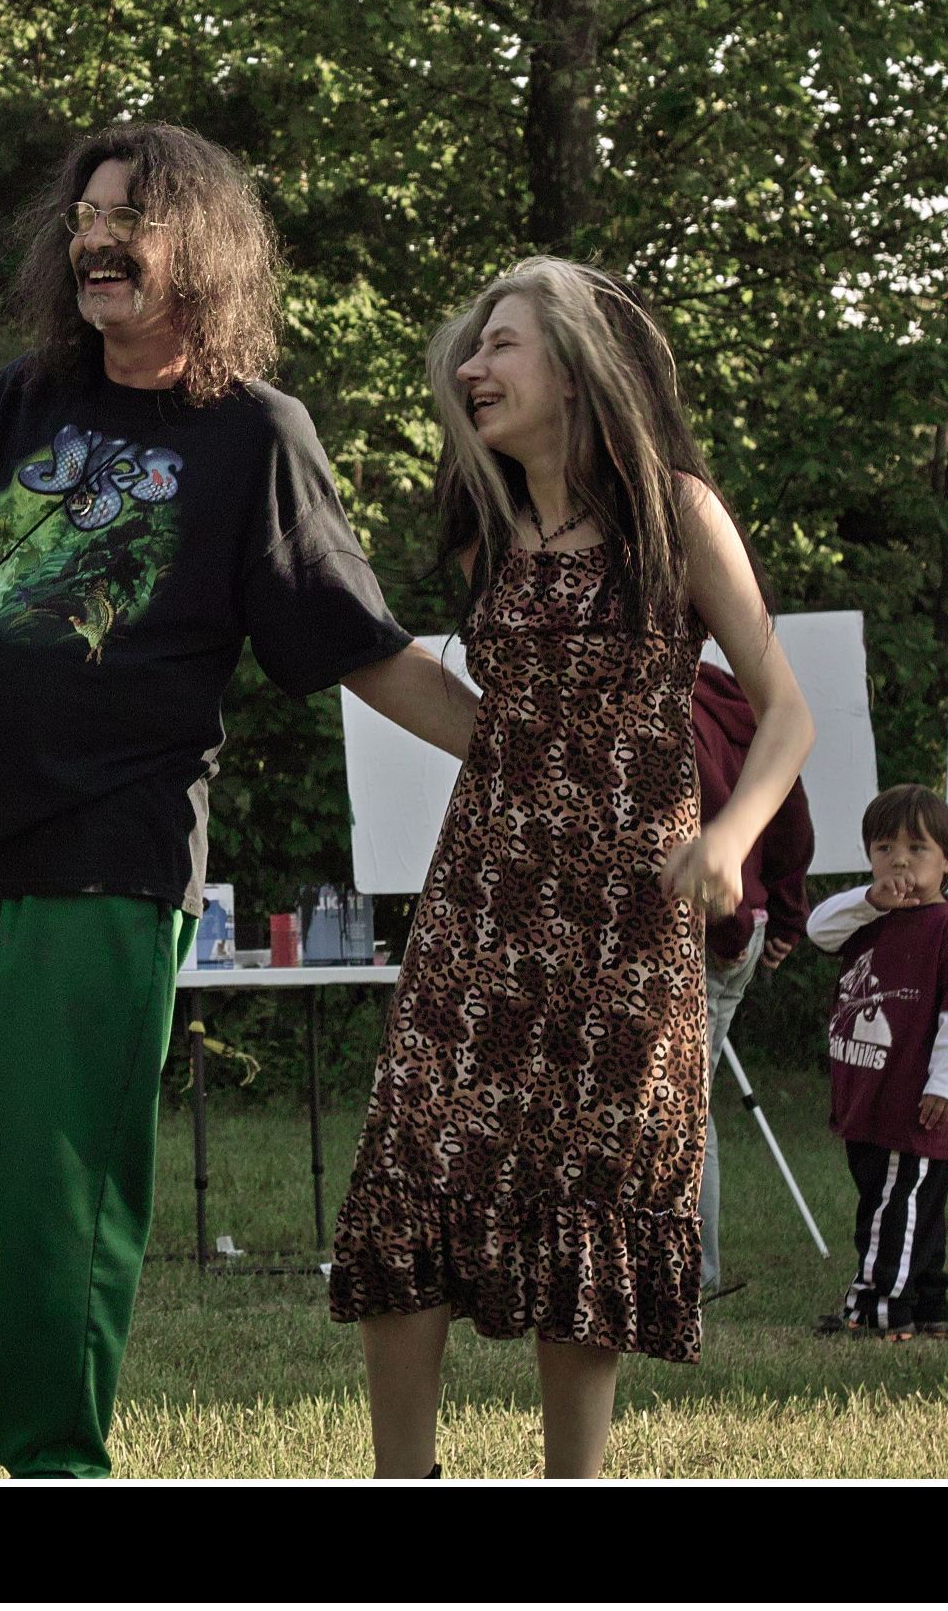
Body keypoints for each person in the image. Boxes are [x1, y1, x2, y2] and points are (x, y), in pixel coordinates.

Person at [0, 122, 479, 1481]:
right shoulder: (26, 397)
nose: (96, 240)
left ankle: (55, 1461)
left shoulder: (255, 437)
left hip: (107, 869)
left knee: (68, 1194)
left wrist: (529, 751)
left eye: (130, 217)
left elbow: (356, 644)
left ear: (203, 248)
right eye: (85, 218)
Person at [327, 257, 814, 1480]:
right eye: (471, 350)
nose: (472, 369)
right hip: (484, 892)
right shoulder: (488, 526)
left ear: (579, 369)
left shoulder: (674, 511)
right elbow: (488, 710)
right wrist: (516, 745)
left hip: (626, 912)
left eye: (501, 344)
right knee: (414, 1155)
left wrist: (729, 838)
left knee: (589, 1189)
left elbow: (786, 712)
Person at [801, 786, 948, 1339]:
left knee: (893, 1210)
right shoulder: (868, 917)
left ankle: (878, 1307)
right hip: (866, 1094)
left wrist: (946, 1086)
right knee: (906, 1208)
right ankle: (928, 1306)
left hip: (913, 1102)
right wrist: (870, 900)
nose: (899, 861)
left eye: (917, 848)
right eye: (884, 848)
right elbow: (818, 930)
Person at [690, 656, 815, 1299]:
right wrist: (785, 913)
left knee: (679, 1105)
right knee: (688, 1100)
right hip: (744, 921)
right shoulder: (747, 701)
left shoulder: (672, 707)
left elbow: (709, 819)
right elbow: (790, 815)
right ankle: (689, 1269)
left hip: (708, 924)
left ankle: (694, 1271)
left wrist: (736, 922)